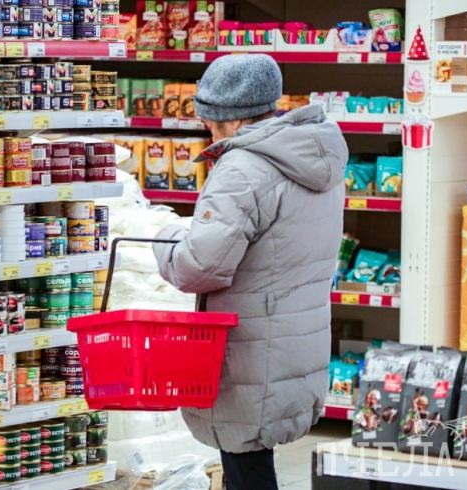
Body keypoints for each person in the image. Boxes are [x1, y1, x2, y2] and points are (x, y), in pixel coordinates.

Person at [153, 54, 348, 489]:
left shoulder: (242, 169)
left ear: (221, 117)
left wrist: (162, 236)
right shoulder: (320, 158)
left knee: (246, 464)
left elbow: (196, 268)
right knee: (253, 463)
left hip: (249, 345)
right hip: (297, 334)